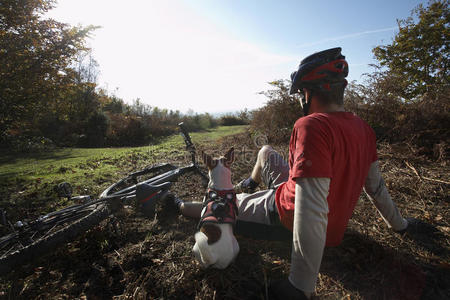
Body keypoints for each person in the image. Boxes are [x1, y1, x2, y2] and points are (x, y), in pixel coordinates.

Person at [174, 47, 409, 299]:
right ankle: (252, 183)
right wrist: (401, 225)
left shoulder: (311, 125)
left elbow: (311, 209)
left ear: (309, 92)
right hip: (297, 193)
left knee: (221, 204)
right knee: (265, 151)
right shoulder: (365, 129)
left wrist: (300, 286)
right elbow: (376, 187)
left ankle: (174, 204)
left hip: (283, 214)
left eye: (301, 93)